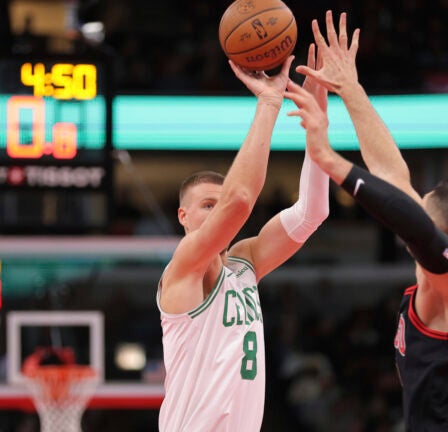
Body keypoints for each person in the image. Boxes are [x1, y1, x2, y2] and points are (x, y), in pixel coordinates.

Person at [285, 11, 448, 430]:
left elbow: (415, 226)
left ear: (442, 233)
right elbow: (392, 177)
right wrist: (350, 89)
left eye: (419, 207)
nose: (409, 206)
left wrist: (329, 160)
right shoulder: (442, 272)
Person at [157, 51, 330, 431]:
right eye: (207, 205)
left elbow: (312, 213)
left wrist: (317, 121)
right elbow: (238, 201)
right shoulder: (186, 265)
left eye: (217, 205)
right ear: (183, 216)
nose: (216, 212)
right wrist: (269, 102)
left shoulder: (244, 262)